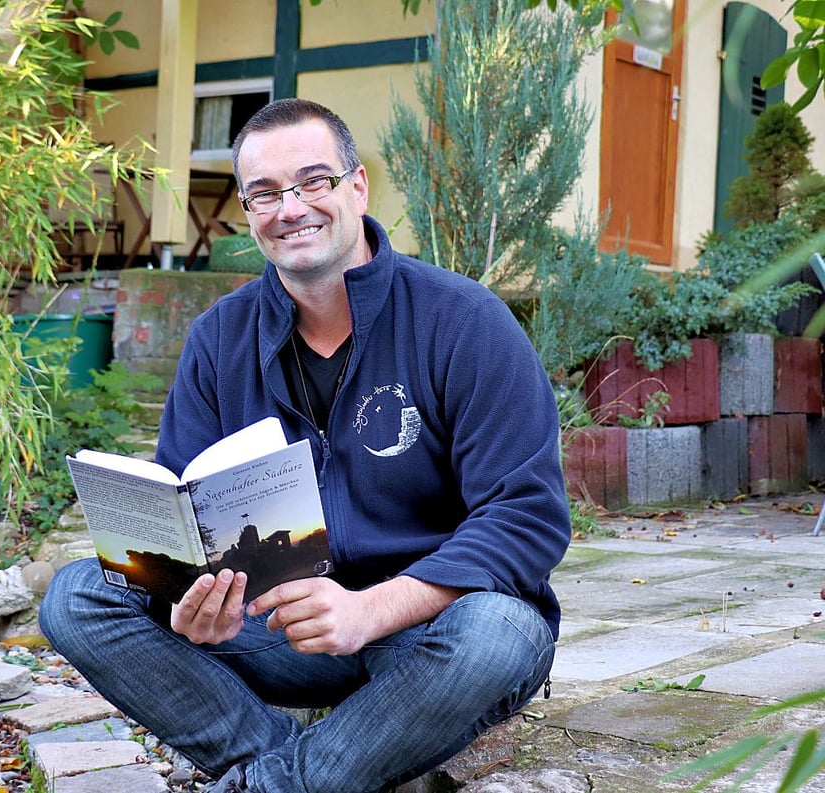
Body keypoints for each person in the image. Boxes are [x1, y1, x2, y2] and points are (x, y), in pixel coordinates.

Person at [39, 98, 571, 793]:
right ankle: (309, 764)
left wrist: (368, 610)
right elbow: (178, 513)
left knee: (501, 628)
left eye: (313, 181)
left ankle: (274, 782)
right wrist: (185, 602)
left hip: (426, 628)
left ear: (356, 187)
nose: (290, 207)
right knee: (78, 595)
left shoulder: (465, 322)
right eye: (264, 192)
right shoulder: (219, 339)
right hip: (277, 627)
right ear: (247, 212)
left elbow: (527, 518)